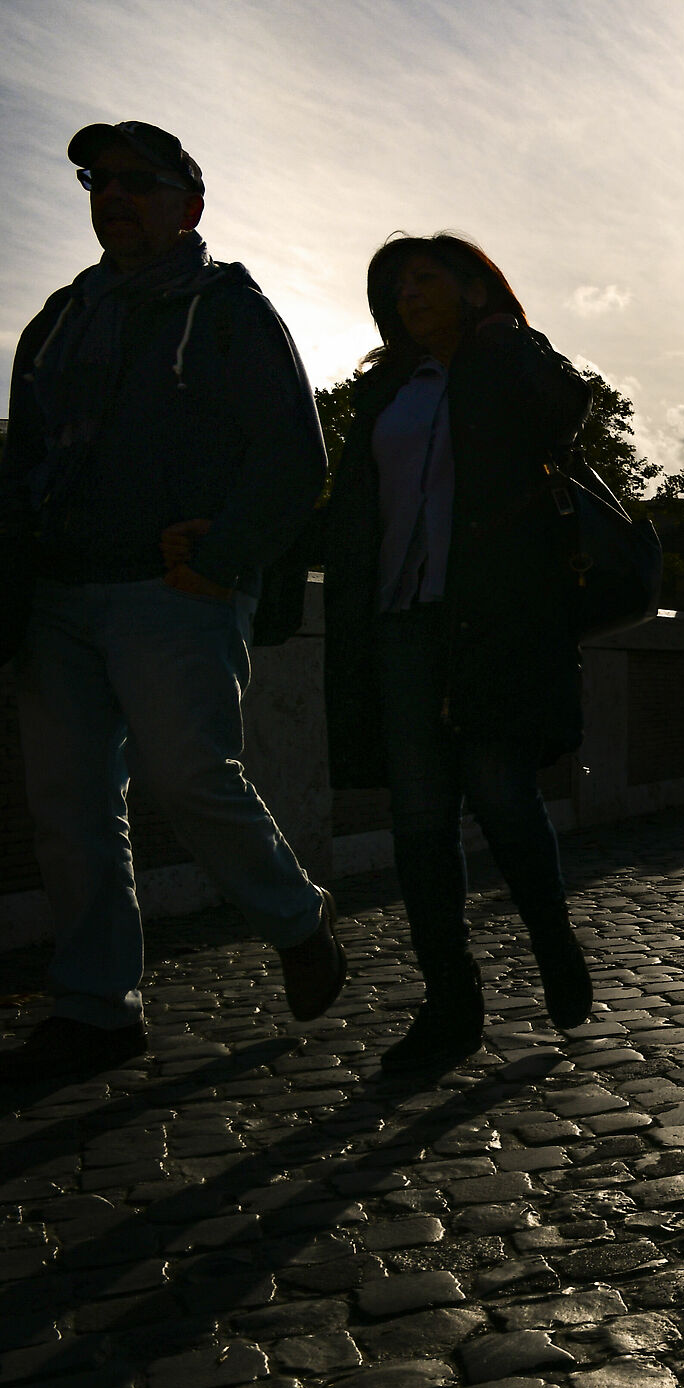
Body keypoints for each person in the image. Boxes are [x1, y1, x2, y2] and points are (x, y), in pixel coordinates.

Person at [0, 121, 344, 1074]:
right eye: (97, 181)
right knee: (69, 808)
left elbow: (293, 457)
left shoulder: (230, 310)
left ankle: (296, 919)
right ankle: (98, 1008)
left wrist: (223, 556)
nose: (114, 194)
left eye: (138, 181)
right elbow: (21, 464)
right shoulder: (58, 321)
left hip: (172, 591)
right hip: (58, 596)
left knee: (192, 775)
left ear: (190, 202)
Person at [312, 232, 596, 1069]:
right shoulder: (387, 393)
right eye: (396, 285)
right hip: (400, 624)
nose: (407, 294)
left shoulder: (510, 364)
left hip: (493, 617)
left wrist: (503, 336)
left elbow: (565, 409)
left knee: (502, 791)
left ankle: (552, 940)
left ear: (473, 288)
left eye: (426, 279)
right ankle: (450, 1003)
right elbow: (353, 510)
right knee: (420, 819)